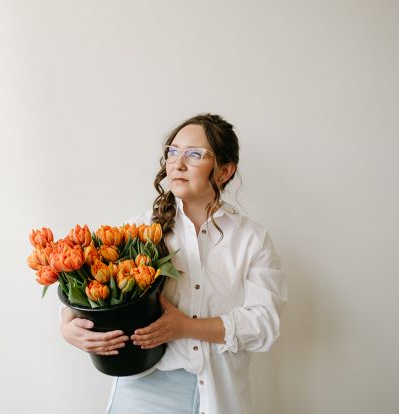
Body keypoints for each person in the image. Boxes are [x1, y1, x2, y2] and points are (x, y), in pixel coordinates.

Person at [60, 113, 288, 414]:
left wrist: (186, 327)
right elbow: (95, 287)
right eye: (173, 152)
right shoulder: (139, 230)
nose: (178, 164)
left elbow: (264, 324)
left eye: (194, 154)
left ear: (225, 171)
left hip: (216, 394)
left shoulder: (252, 239)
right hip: (141, 390)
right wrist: (68, 325)